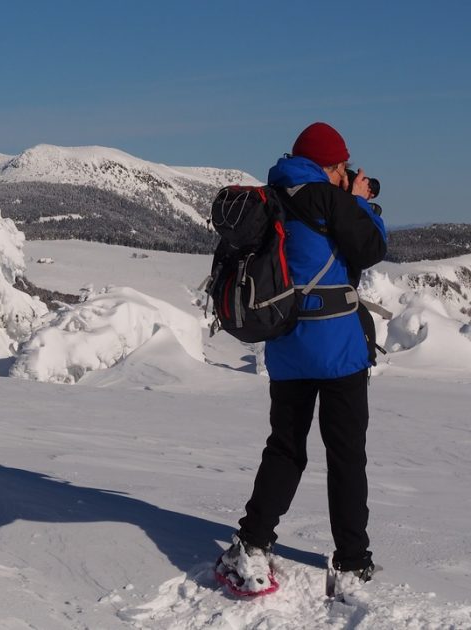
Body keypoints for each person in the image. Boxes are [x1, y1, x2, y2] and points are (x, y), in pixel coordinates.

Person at [216, 122, 387, 592]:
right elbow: (372, 247)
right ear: (330, 166)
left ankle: (253, 540)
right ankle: (352, 560)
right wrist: (356, 199)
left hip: (287, 345)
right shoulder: (330, 198)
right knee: (346, 456)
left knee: (285, 447)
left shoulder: (270, 195)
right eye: (340, 167)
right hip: (338, 351)